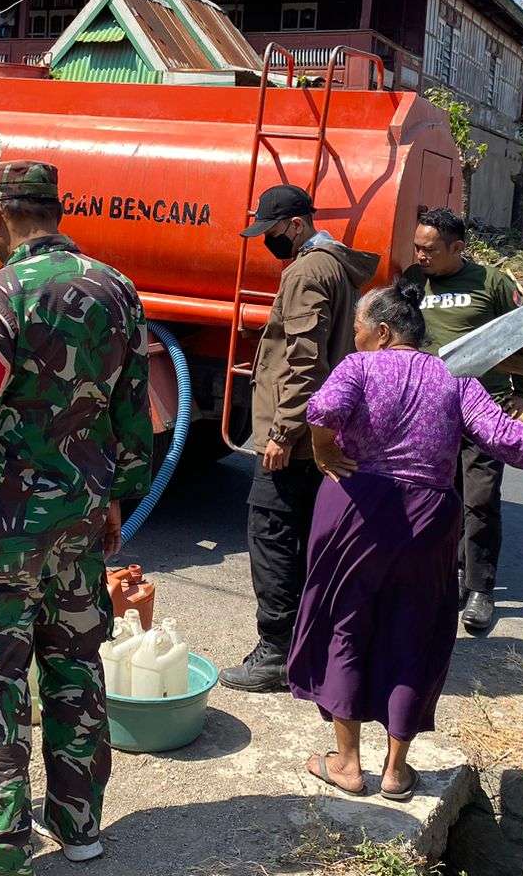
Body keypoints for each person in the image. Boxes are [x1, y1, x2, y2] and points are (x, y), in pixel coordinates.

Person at [0, 160, 152, 876]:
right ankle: (80, 830)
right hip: (80, 522)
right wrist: (116, 494)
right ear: (52, 210)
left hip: (2, 531)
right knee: (75, 667)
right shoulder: (118, 288)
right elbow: (132, 410)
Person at [289, 281, 523, 800]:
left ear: (382, 333)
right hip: (430, 515)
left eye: (359, 329)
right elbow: (505, 438)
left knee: (346, 622)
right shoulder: (456, 377)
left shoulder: (360, 367)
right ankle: (395, 771)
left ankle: (346, 763)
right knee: (415, 629)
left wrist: (323, 451)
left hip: (358, 507)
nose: (355, 338)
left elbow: (321, 411)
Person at [221, 183, 379, 693]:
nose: (268, 241)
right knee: (308, 535)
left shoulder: (308, 271)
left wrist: (284, 431)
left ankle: (275, 651)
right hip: (324, 425)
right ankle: (313, 643)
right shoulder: (336, 265)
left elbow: (303, 359)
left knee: (270, 533)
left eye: (271, 232)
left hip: (299, 429)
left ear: (296, 225)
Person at [403, 207, 523, 634]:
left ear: (458, 248)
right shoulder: (410, 280)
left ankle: (480, 588)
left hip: (483, 407)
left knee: (479, 498)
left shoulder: (492, 283)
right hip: (429, 408)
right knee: (436, 496)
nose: (421, 256)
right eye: (417, 247)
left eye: (430, 249)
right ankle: (448, 577)